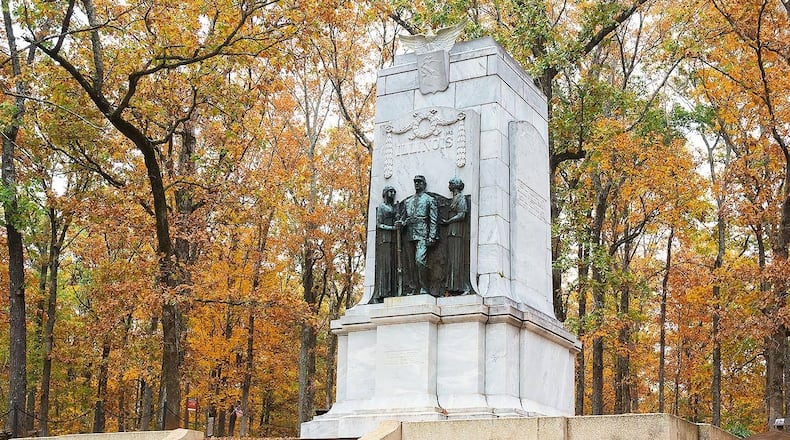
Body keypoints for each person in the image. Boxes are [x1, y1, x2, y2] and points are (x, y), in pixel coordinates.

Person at [398, 175, 438, 295]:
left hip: (423, 233)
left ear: (424, 184)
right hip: (410, 234)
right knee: (410, 264)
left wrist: (432, 235)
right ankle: (413, 287)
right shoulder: (408, 201)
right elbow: (404, 218)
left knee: (419, 261)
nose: (417, 184)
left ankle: (424, 287)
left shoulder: (429, 200)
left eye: (419, 182)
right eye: (415, 182)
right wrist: (401, 223)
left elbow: (433, 219)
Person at [441, 177, 470, 294]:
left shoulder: (461, 198)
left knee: (457, 258)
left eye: (451, 183)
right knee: (452, 259)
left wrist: (448, 221)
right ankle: (452, 286)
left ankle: (462, 287)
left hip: (457, 231)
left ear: (456, 185)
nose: (449, 185)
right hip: (451, 231)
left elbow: (462, 215)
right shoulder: (454, 198)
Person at [371, 186, 398, 303]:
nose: (392, 194)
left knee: (391, 265)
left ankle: (391, 290)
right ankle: (382, 293)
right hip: (384, 239)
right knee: (385, 266)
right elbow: (379, 224)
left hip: (393, 240)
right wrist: (392, 228)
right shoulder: (382, 207)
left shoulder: (393, 207)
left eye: (393, 192)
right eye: (390, 192)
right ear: (385, 193)